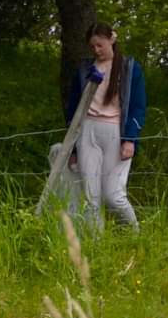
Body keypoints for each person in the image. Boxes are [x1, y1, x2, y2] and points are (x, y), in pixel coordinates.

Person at [61, 24, 145, 229]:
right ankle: (95, 241)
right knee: (91, 196)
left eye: (100, 45)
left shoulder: (129, 68)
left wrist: (130, 139)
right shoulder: (84, 69)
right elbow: (73, 108)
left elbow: (138, 106)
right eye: (92, 47)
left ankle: (135, 233)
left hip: (116, 132)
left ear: (111, 40)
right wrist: (73, 148)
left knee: (113, 195)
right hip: (87, 131)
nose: (96, 50)